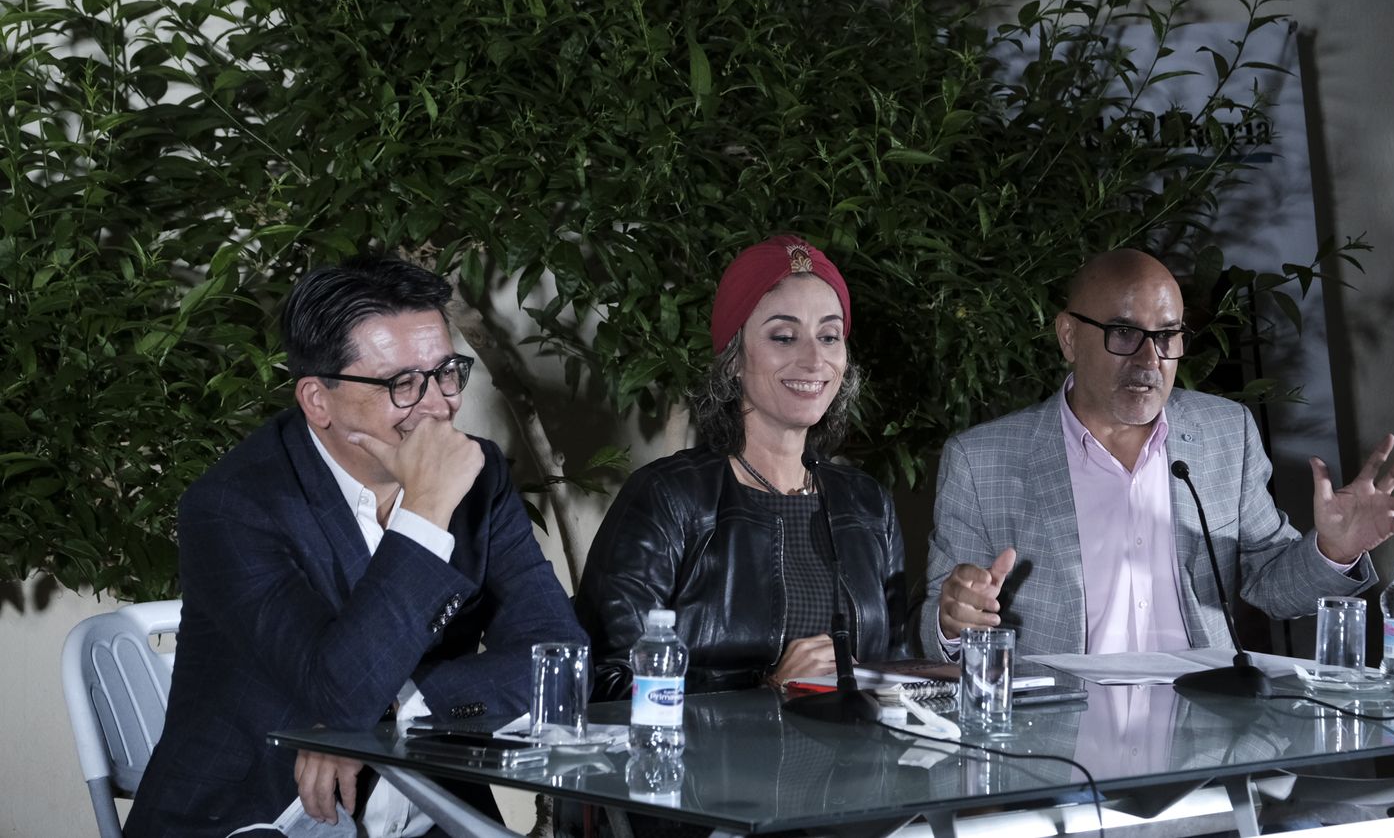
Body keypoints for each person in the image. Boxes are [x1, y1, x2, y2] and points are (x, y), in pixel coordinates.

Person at [126, 257, 584, 838]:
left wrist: (394, 717)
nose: (441, 405)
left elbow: (561, 659)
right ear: (318, 401)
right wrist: (426, 509)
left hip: (429, 816)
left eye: (447, 372)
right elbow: (334, 688)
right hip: (262, 819)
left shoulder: (479, 473)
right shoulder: (233, 507)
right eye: (403, 384)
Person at [922, 248, 1394, 657]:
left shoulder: (1226, 433)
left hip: (1204, 732)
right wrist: (952, 620)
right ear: (1069, 337)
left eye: (1167, 336)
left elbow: (1270, 585)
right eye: (1124, 334)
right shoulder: (981, 460)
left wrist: (1334, 549)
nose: (1149, 359)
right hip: (1055, 742)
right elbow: (933, 625)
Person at [577, 234, 907, 699]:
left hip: (857, 767)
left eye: (829, 336)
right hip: (710, 772)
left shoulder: (868, 503)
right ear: (733, 359)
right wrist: (768, 690)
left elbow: (898, 666)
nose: (814, 359)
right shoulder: (666, 499)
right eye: (784, 336)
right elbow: (604, 684)